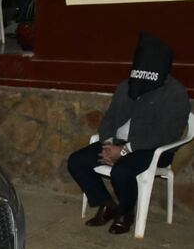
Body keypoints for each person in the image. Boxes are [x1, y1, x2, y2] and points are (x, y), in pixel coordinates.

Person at [67, 32, 190, 235]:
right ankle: (107, 204)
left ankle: (125, 213)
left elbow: (167, 134)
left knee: (121, 171)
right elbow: (109, 119)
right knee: (77, 161)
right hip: (118, 142)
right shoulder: (126, 86)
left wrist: (125, 150)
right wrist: (109, 143)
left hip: (152, 148)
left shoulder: (175, 93)